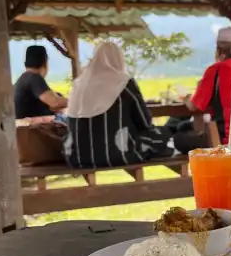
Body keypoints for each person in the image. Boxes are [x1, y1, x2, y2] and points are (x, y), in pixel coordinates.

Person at [63, 41, 202, 168]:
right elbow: (144, 121)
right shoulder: (124, 82)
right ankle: (166, 148)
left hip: (77, 156)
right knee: (163, 133)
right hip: (118, 153)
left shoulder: (78, 84)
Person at [14, 45, 68, 119]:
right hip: (29, 129)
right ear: (45, 62)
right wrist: (77, 101)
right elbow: (55, 102)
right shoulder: (34, 78)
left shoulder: (24, 78)